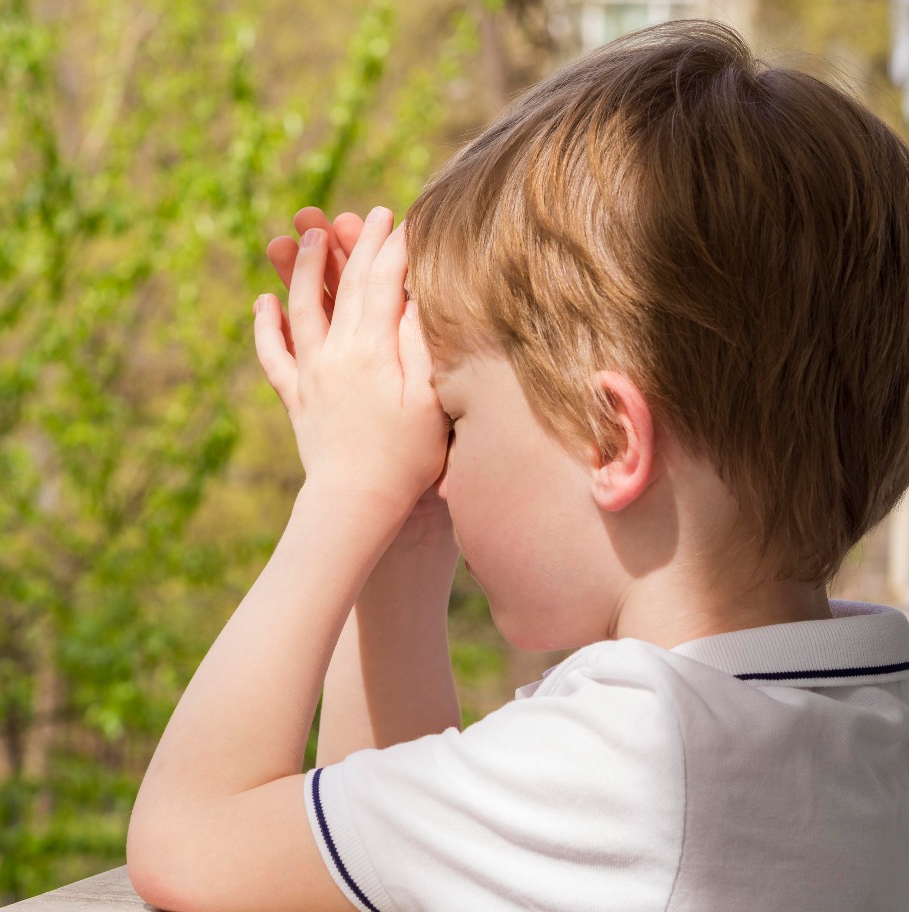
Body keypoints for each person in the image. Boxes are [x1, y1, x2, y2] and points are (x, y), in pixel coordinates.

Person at [126, 20, 909, 912]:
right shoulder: (866, 714)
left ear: (610, 439)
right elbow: (394, 873)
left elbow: (187, 843)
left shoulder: (641, 759)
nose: (436, 464)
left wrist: (348, 490)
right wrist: (404, 536)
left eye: (453, 419)